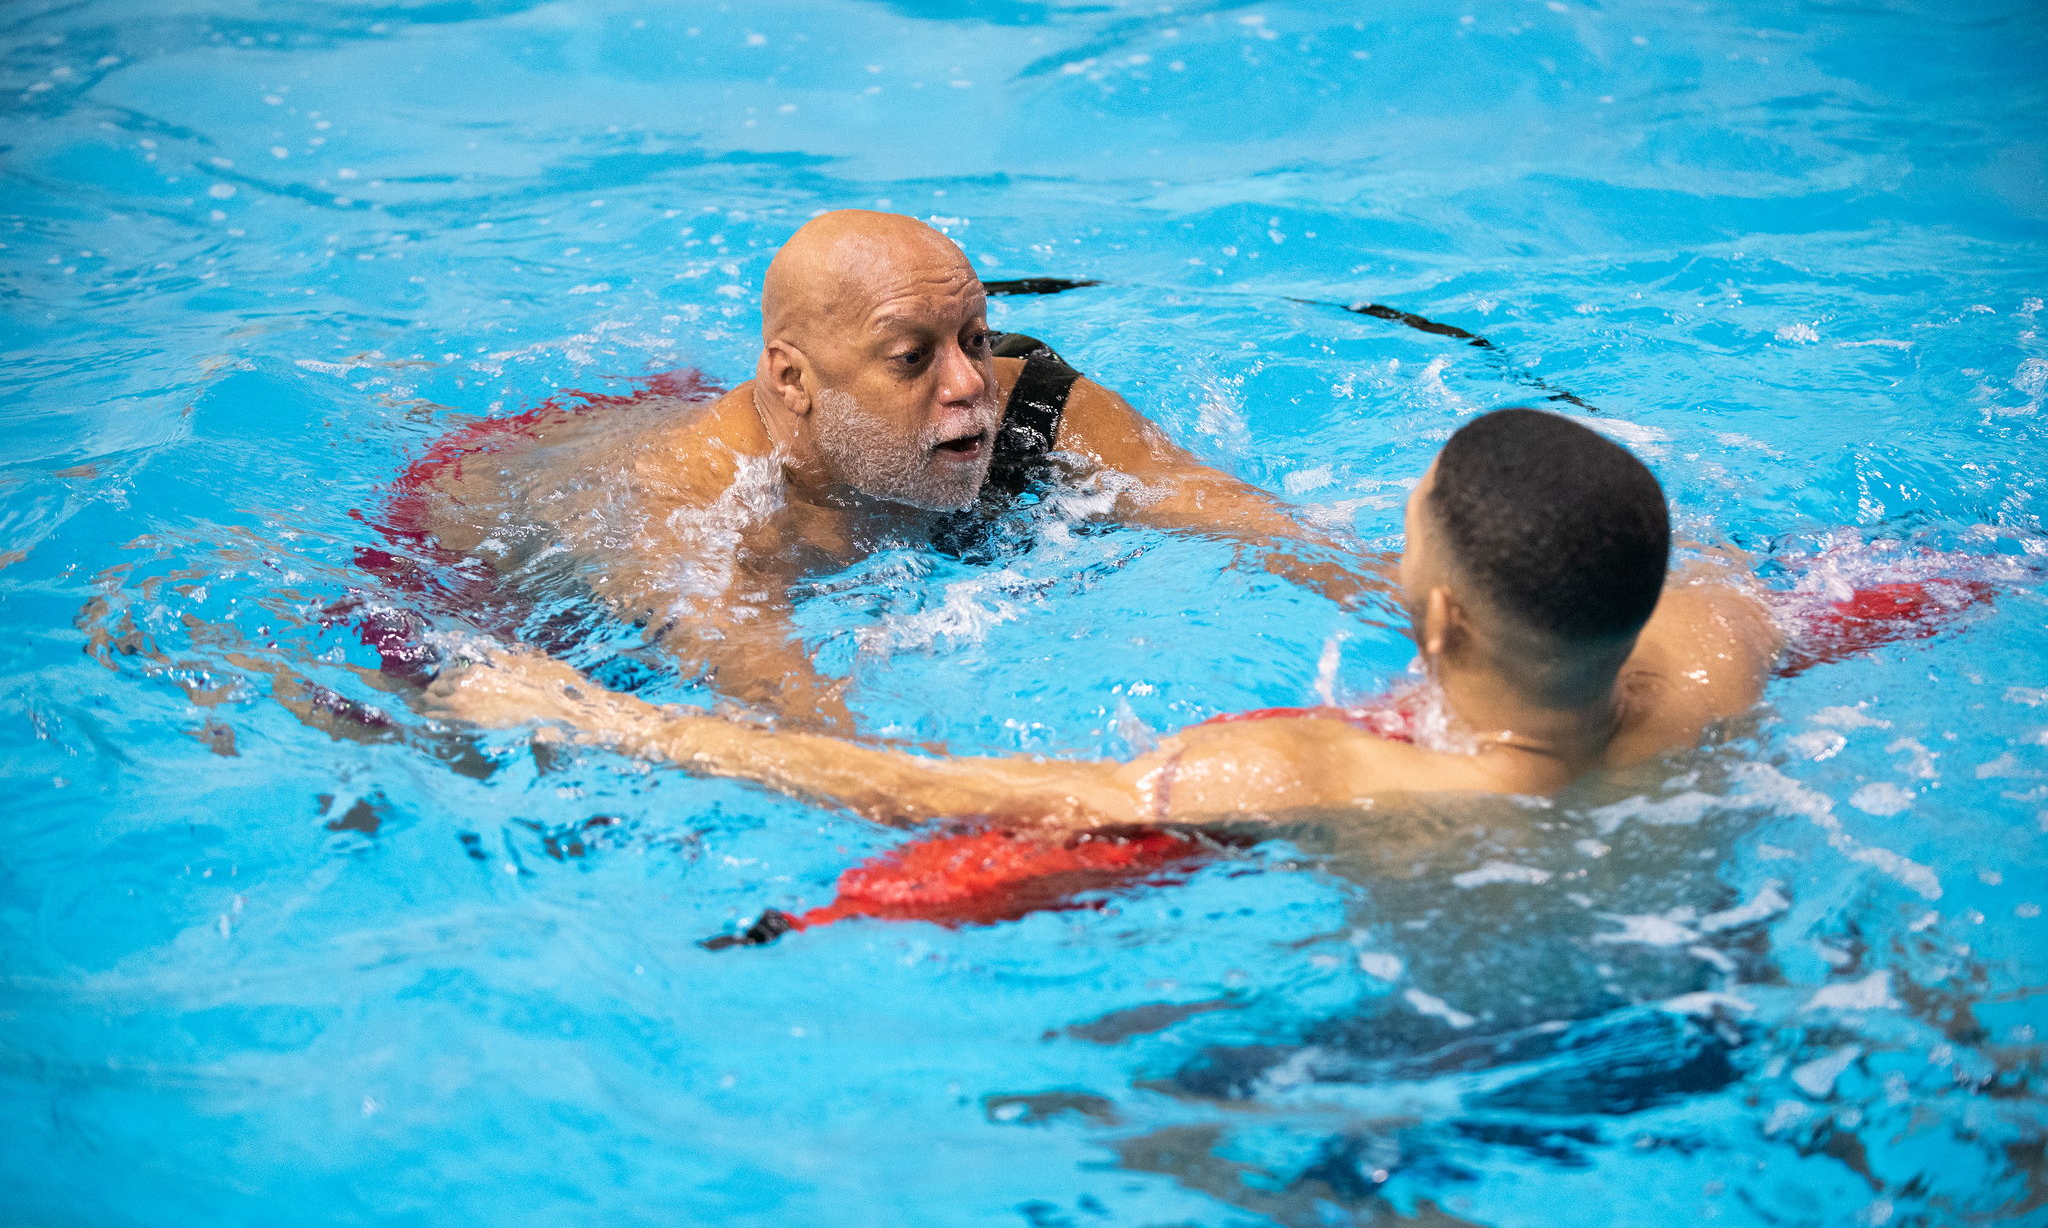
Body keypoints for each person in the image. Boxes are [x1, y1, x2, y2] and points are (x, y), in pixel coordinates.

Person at [421, 409, 1783, 832]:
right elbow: (1660, 543)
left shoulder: (1322, 773)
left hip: (1433, 1053)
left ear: (1432, 618)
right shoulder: (1717, 647)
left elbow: (927, 786)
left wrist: (594, 713)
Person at [403, 210, 1384, 732]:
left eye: (972, 334)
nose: (970, 386)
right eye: (913, 358)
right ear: (791, 380)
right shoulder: (700, 520)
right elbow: (801, 734)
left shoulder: (1031, 402)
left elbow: (1256, 523)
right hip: (471, 543)